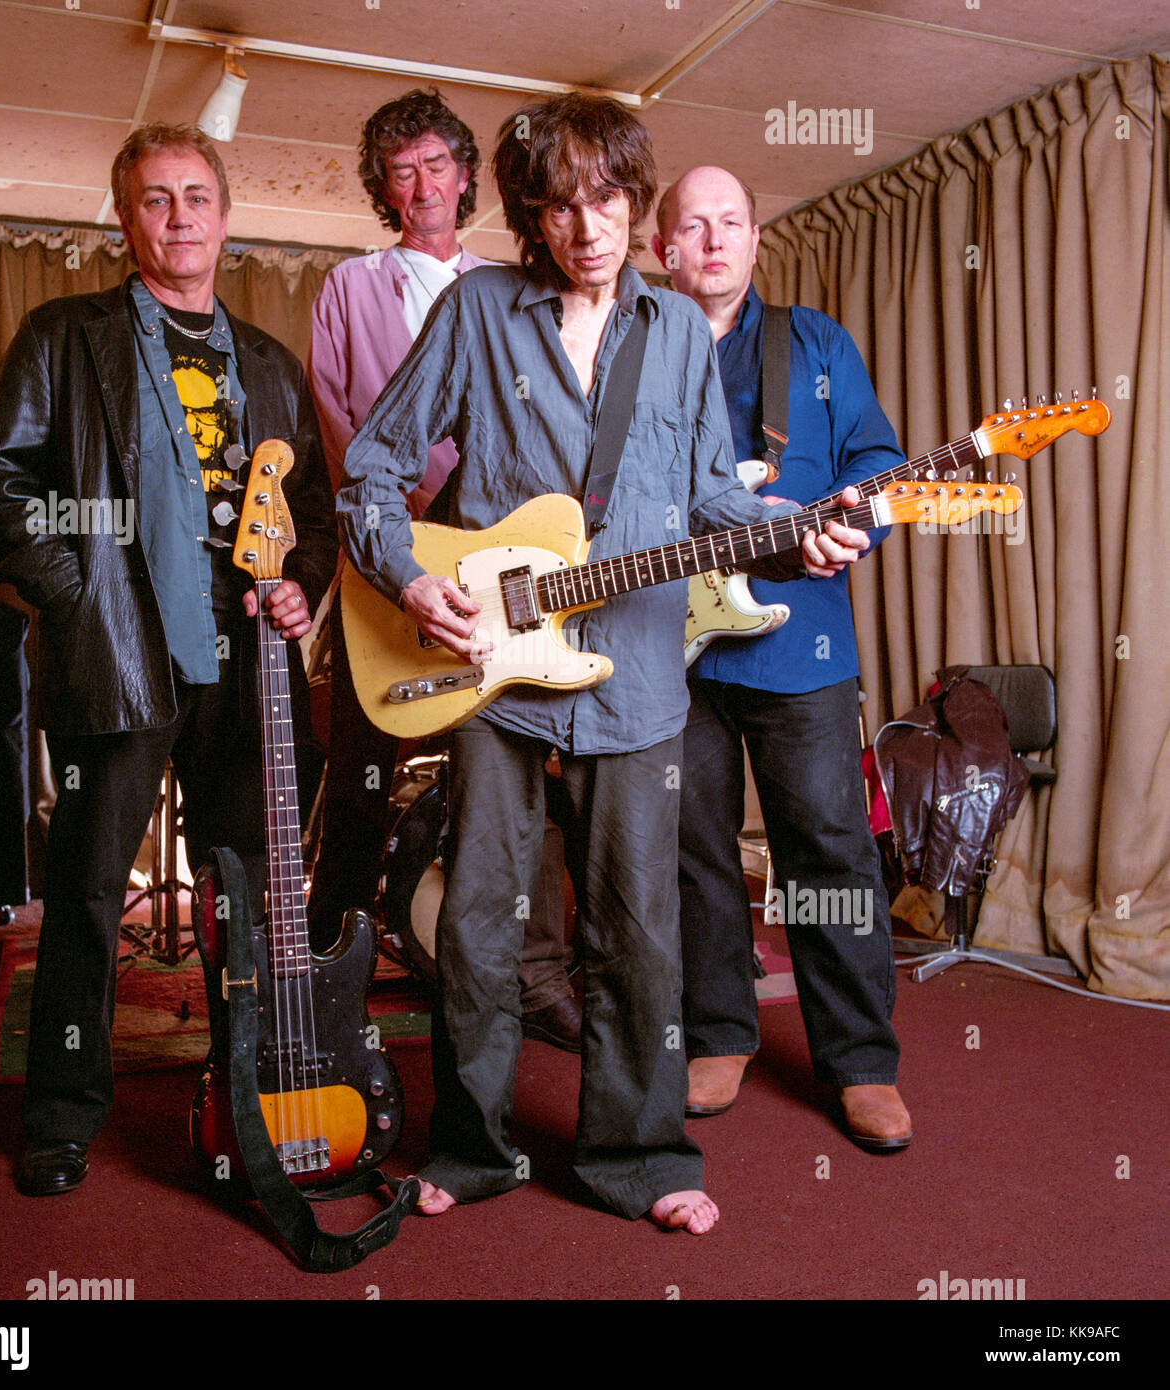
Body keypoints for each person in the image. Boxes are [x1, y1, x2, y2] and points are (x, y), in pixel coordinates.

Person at [337, 95, 871, 1234]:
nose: (589, 227)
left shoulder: (677, 331)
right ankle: (472, 1146)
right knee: (479, 915)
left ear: (637, 203)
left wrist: (796, 529)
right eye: (561, 205)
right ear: (530, 213)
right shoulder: (479, 308)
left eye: (609, 201)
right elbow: (369, 472)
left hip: (631, 669)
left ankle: (634, 1153)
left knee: (635, 921)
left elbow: (705, 498)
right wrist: (410, 580)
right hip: (491, 664)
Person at [0, 123, 335, 1196]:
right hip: (118, 653)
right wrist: (79, 598)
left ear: (225, 217)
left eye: (195, 197)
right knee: (83, 891)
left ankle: (251, 1087)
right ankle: (63, 1112)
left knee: (246, 890)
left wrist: (302, 575)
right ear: (124, 220)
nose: (178, 217)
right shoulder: (61, 336)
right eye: (155, 199)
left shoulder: (266, 362)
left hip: (249, 665)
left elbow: (309, 509)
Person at [307, 89, 579, 1050]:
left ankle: (524, 978)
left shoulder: (514, 287)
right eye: (400, 171)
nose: (420, 185)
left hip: (504, 575)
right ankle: (325, 973)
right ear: (384, 188)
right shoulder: (350, 287)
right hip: (396, 566)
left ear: (467, 176)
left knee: (509, 776)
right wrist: (409, 545)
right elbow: (345, 432)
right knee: (360, 778)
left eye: (435, 165)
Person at [653, 165, 911, 1150]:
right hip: (666, 647)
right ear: (661, 249)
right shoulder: (632, 354)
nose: (714, 241)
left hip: (797, 646)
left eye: (731, 222)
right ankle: (718, 1031)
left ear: (755, 239)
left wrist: (852, 528)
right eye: (692, 226)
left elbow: (877, 466)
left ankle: (859, 1060)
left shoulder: (812, 344)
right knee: (691, 850)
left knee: (825, 851)